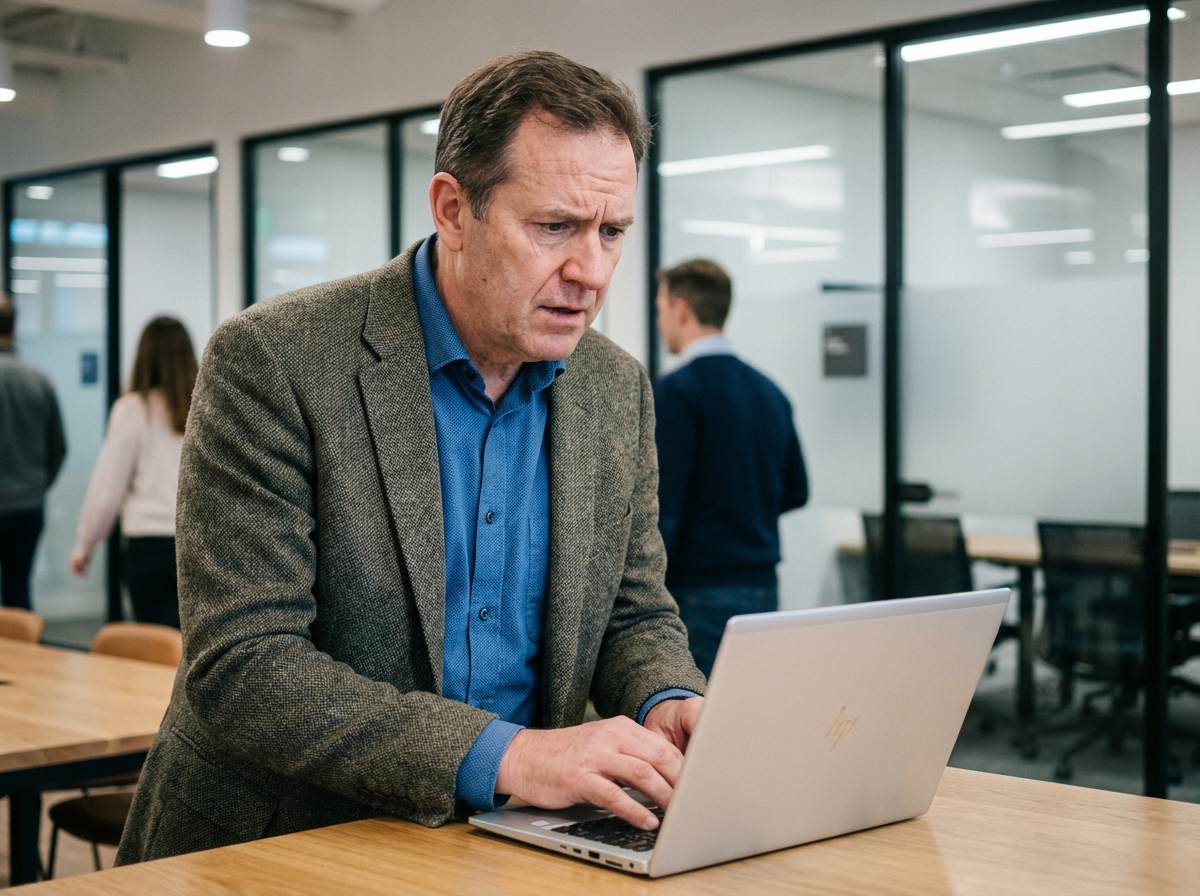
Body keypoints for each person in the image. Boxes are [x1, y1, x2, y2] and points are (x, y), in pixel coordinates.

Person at [116, 51, 706, 866]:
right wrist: (513, 756)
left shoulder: (615, 390)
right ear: (453, 209)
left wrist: (666, 695)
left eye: (612, 232)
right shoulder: (276, 361)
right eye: (555, 227)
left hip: (508, 849)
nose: (591, 272)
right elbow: (246, 667)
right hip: (281, 843)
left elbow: (631, 611)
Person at [653, 259, 808, 677]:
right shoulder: (770, 391)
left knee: (697, 727)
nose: (661, 320)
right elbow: (797, 491)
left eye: (661, 308)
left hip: (699, 592)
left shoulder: (677, 393)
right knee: (748, 715)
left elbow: (664, 508)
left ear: (681, 310)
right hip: (763, 586)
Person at [69, 317, 198, 628]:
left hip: (149, 548)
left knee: (154, 652)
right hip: (197, 545)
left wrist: (85, 544)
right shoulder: (203, 408)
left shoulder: (132, 409)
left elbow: (108, 489)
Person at [0, 294, 67, 612]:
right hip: (28, 507)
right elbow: (59, 447)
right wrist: (37, 485)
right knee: (18, 592)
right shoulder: (39, 381)